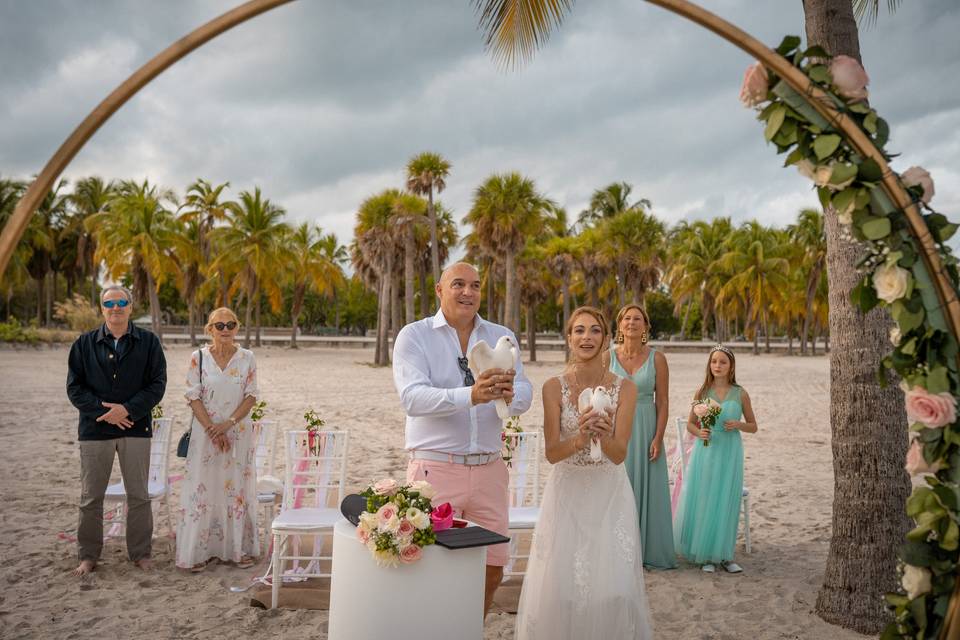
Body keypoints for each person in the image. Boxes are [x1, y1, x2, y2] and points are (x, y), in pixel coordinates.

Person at [392, 262, 533, 617]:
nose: (467, 292)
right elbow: (412, 398)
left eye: (475, 285)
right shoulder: (414, 335)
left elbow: (526, 393)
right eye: (458, 284)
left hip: (490, 469)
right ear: (440, 290)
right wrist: (470, 395)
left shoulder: (502, 333)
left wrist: (507, 393)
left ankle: (470, 629)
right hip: (435, 471)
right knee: (428, 565)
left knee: (493, 568)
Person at [515, 307, 653, 640]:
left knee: (614, 588)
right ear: (569, 338)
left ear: (606, 338)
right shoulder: (552, 388)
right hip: (566, 496)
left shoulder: (627, 389)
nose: (586, 337)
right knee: (560, 589)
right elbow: (551, 453)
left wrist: (602, 435)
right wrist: (580, 437)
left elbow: (619, 455)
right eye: (579, 331)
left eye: (594, 331)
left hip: (610, 495)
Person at [67, 285, 167, 576]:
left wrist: (128, 410)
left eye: (121, 302)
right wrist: (105, 413)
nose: (116, 307)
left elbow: (157, 384)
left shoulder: (149, 343)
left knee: (139, 495)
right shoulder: (83, 344)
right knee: (90, 497)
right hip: (94, 430)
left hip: (136, 428)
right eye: (109, 303)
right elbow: (74, 389)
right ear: (102, 309)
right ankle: (88, 556)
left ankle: (141, 554)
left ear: (131, 307)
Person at [176, 307, 260, 572]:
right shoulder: (198, 357)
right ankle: (200, 552)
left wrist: (227, 425)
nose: (225, 330)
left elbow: (251, 396)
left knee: (235, 489)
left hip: (237, 433)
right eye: (219, 325)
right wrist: (213, 429)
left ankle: (237, 550)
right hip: (205, 435)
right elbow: (193, 396)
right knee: (203, 488)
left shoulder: (248, 358)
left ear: (237, 328)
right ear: (209, 329)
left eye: (230, 325)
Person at [673, 345, 758, 573]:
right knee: (706, 498)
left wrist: (738, 424)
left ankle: (725, 556)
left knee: (726, 499)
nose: (718, 366)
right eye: (714, 362)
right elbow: (691, 423)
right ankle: (707, 556)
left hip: (730, 450)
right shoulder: (702, 392)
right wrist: (699, 432)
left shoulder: (740, 393)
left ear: (731, 367)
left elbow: (754, 426)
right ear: (709, 366)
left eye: (723, 362)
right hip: (707, 450)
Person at [609, 304, 676, 569]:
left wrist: (658, 437)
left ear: (646, 326)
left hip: (647, 426)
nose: (632, 322)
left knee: (648, 491)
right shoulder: (608, 357)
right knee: (617, 489)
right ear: (620, 325)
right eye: (627, 318)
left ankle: (648, 552)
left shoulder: (657, 358)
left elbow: (664, 401)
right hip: (616, 429)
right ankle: (618, 552)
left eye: (638, 318)